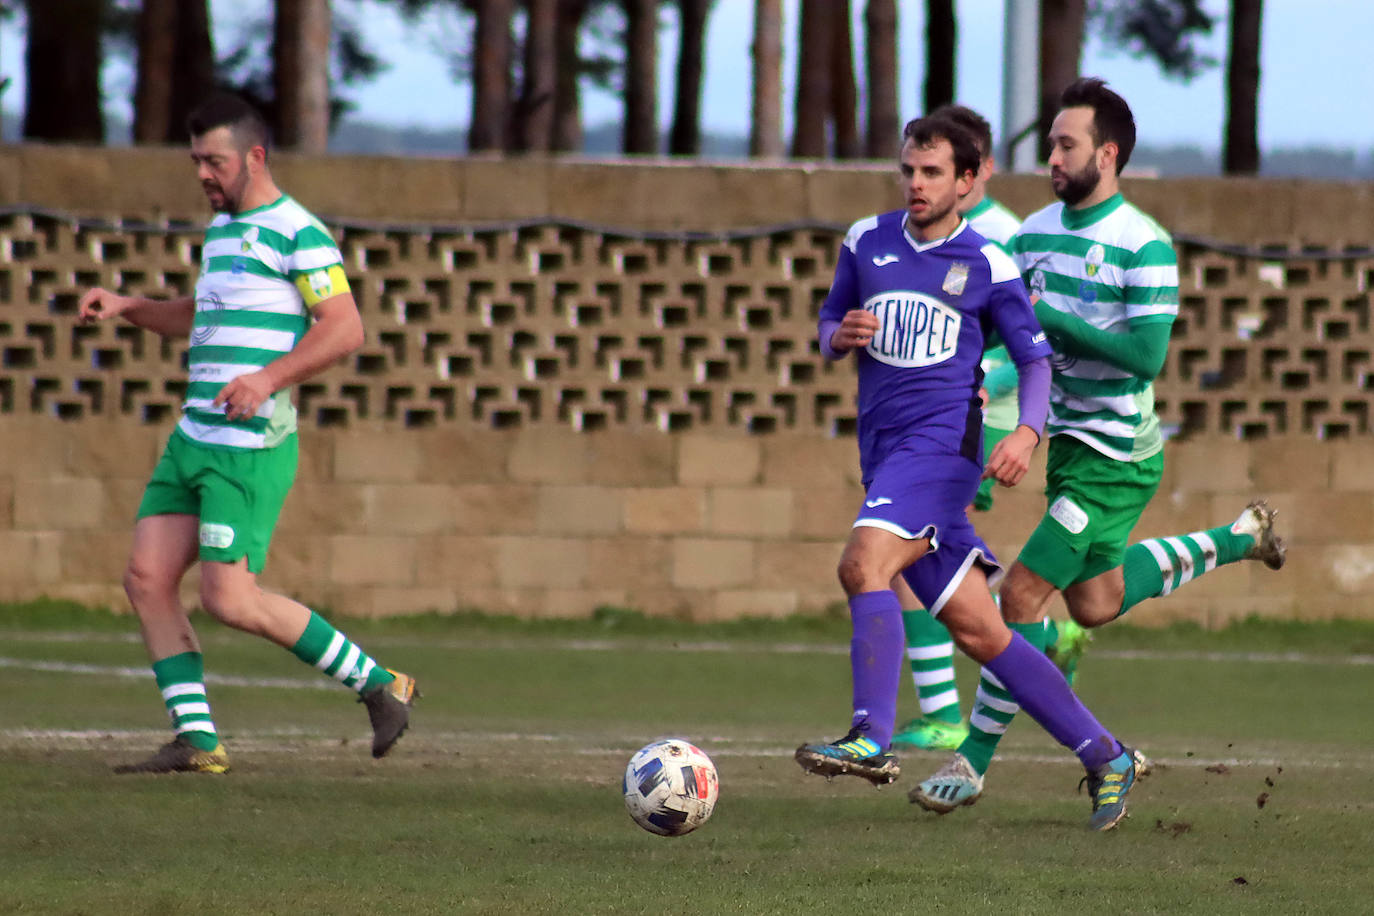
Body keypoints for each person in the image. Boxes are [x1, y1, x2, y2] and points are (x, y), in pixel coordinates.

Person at [912, 78, 1285, 814]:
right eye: (1051, 143)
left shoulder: (1143, 244)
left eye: (1065, 143)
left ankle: (976, 759)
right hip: (1073, 452)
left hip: (1117, 457)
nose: (1051, 155)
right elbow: (996, 328)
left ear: (1106, 154)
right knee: (1096, 602)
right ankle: (1242, 537)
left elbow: (1146, 358)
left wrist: (1047, 317)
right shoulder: (1034, 232)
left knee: (1015, 597)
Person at [793, 114, 1142, 831]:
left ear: (969, 177)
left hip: (944, 452)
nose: (916, 185)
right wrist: (838, 336)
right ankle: (1107, 755)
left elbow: (1036, 358)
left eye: (932, 173)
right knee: (986, 636)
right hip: (887, 457)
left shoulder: (989, 263)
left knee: (863, 565)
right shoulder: (867, 241)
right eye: (909, 172)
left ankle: (871, 736)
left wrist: (1026, 429)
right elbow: (829, 317)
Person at [77, 93, 417, 774]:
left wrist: (267, 378)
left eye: (215, 161)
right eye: (196, 159)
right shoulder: (224, 232)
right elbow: (198, 316)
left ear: (254, 157)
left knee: (229, 599)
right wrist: (128, 307)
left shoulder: (299, 232)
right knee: (147, 578)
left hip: (247, 445)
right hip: (194, 437)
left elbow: (345, 328)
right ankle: (197, 742)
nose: (203, 173)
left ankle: (381, 684)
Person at [890, 104, 1090, 754]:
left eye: (945, 167)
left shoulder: (1000, 237)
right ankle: (1045, 638)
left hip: (979, 421)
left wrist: (993, 392)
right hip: (936, 424)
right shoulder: (917, 237)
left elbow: (1025, 338)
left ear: (979, 170)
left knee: (907, 551)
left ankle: (948, 711)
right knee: (922, 558)